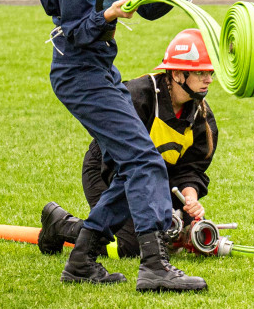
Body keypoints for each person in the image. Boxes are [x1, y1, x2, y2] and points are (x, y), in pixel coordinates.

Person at [34, 0, 205, 292]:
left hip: (103, 69)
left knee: (133, 166)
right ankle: (154, 267)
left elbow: (148, 6)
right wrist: (107, 13)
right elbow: (73, 33)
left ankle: (81, 260)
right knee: (145, 159)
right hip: (76, 73)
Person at [38, 28, 219, 259]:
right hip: (108, 170)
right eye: (201, 72)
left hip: (156, 179)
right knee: (129, 246)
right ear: (177, 74)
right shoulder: (138, 96)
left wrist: (190, 199)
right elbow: (117, 162)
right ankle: (60, 224)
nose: (209, 79)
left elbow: (191, 170)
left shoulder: (203, 118)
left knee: (163, 231)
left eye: (210, 72)